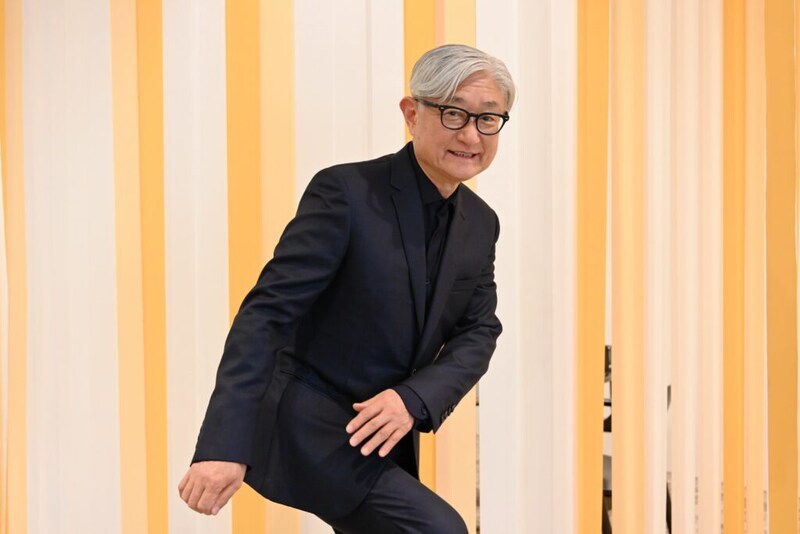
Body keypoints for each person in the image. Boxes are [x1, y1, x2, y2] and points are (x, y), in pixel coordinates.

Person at [178, 43, 516, 533]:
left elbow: (479, 330)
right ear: (412, 113)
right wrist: (224, 444)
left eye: (488, 118)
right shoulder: (346, 193)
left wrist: (413, 399)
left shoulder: (481, 223)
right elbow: (267, 315)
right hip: (307, 424)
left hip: (379, 437)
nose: (470, 134)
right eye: (453, 113)